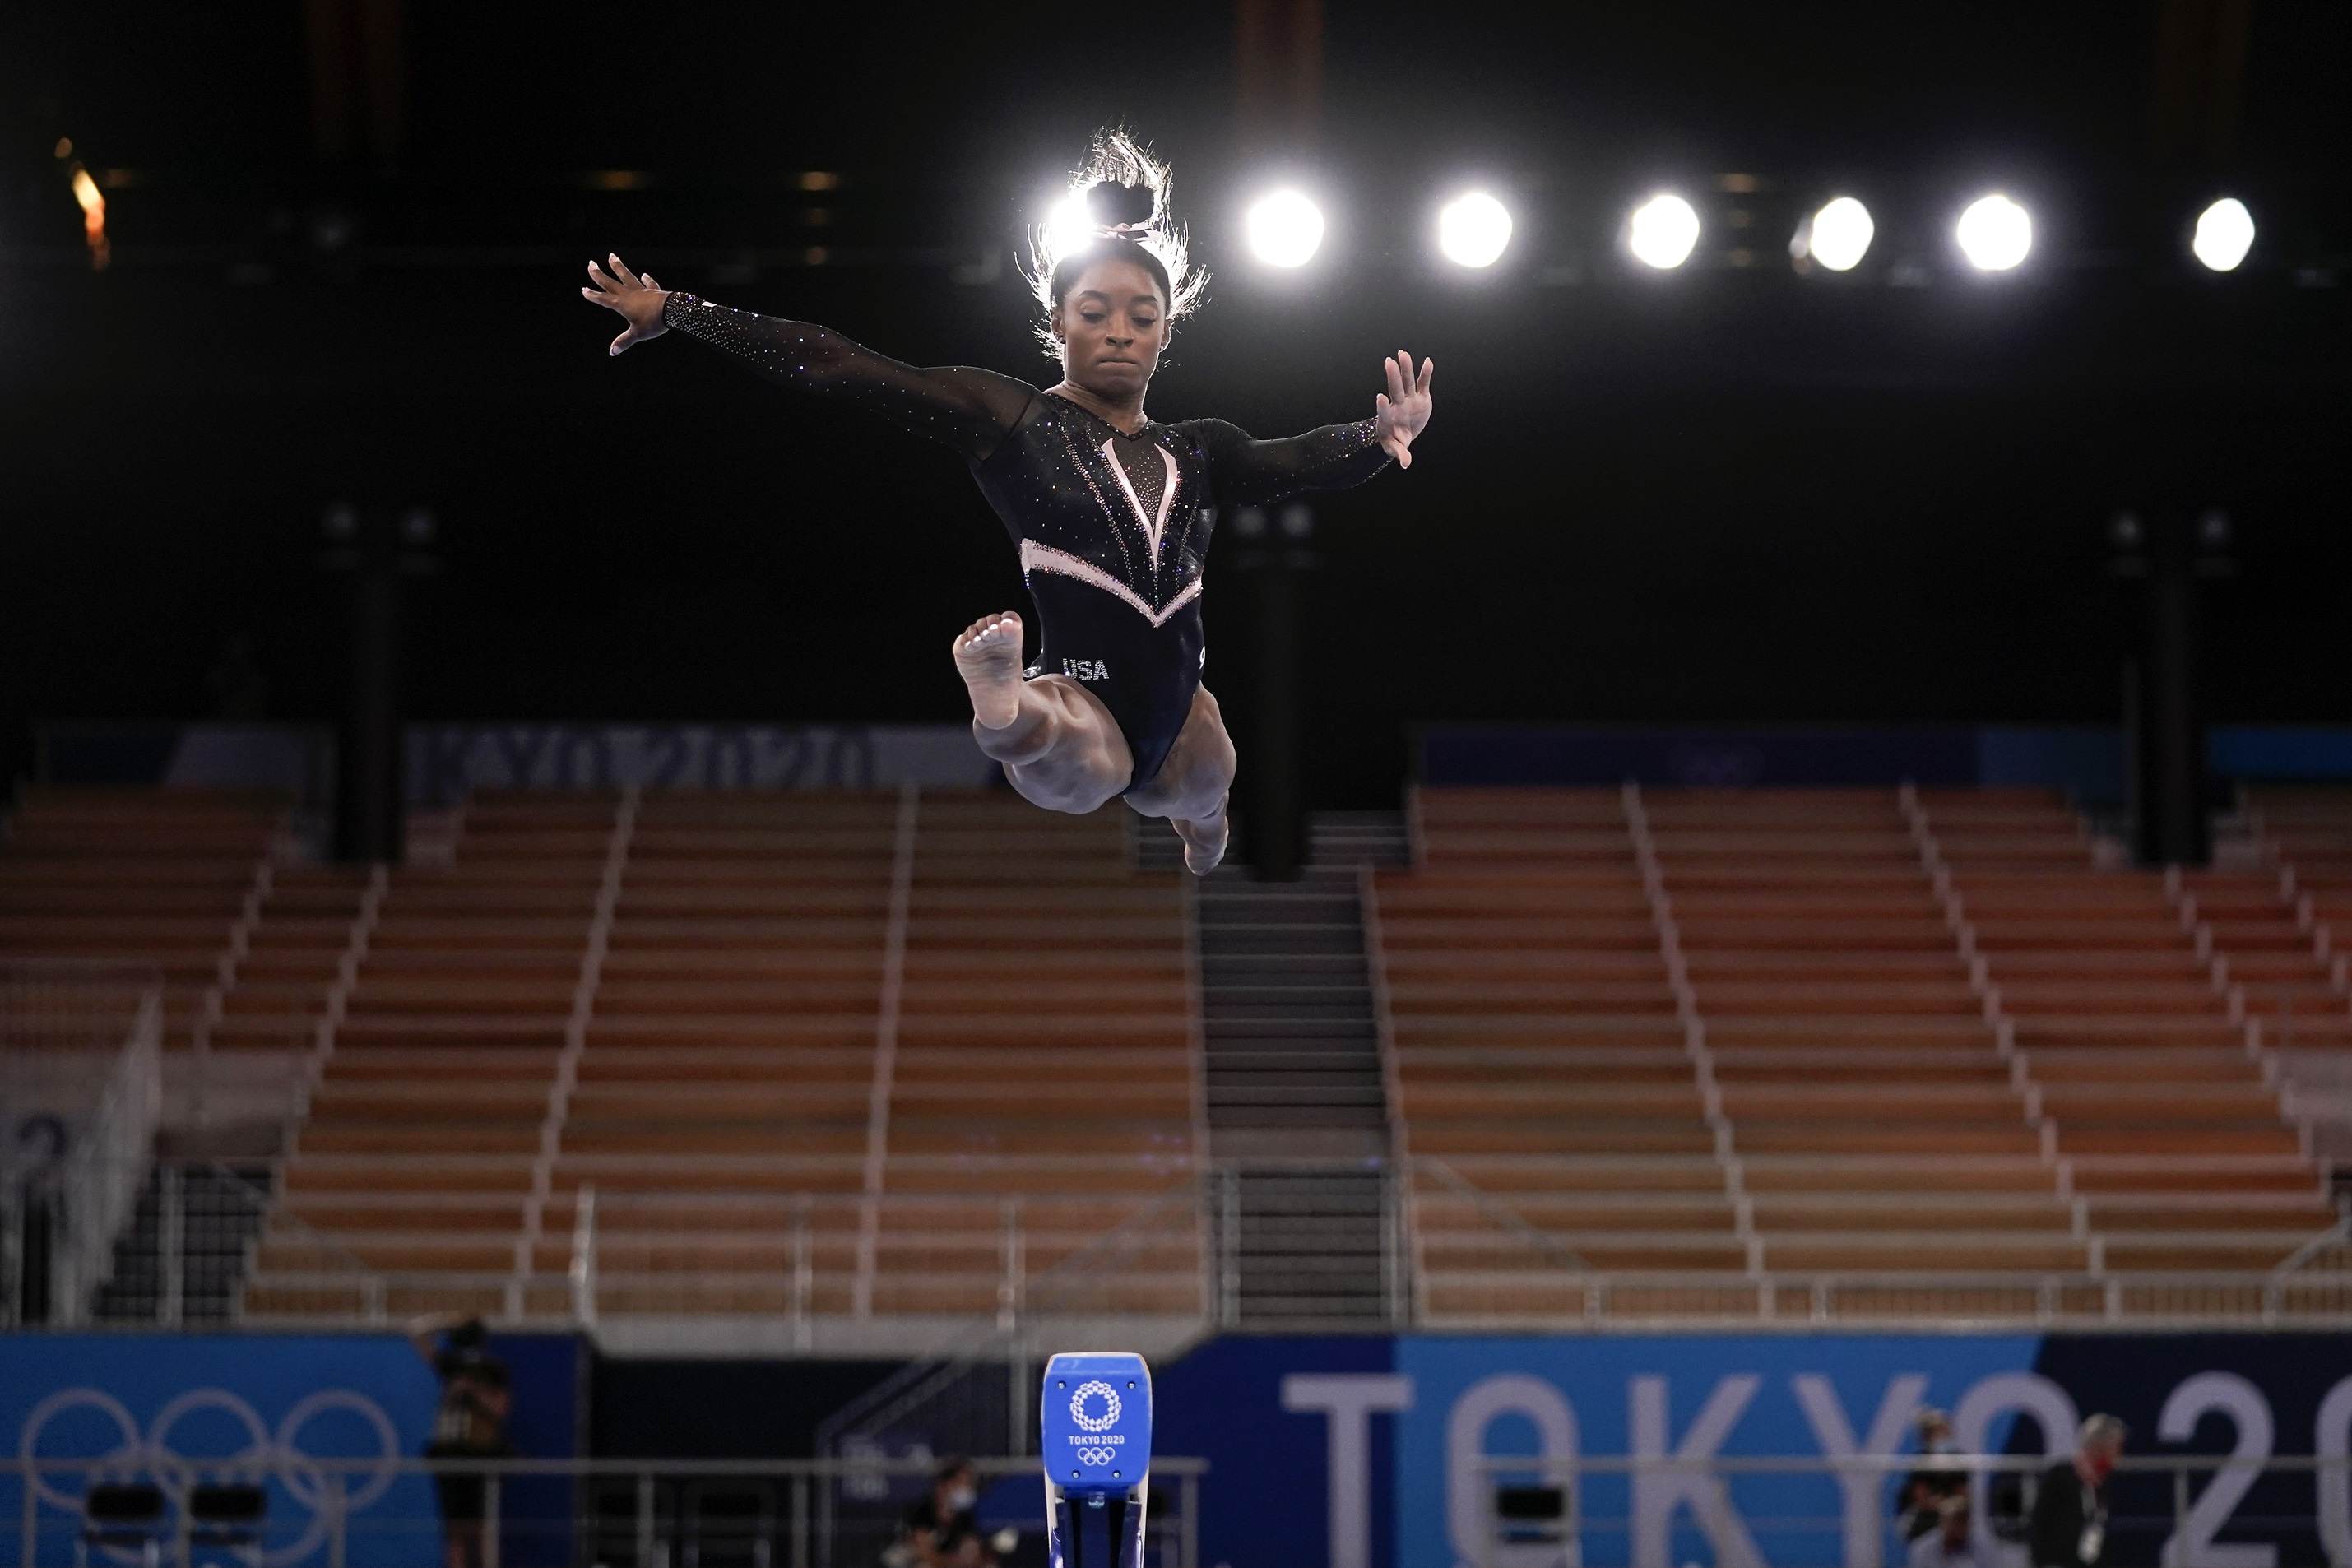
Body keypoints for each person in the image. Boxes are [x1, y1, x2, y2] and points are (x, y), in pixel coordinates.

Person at [581, 126, 1435, 874]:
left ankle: (1202, 830)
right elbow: (843, 365)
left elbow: (1297, 459)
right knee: (1066, 751)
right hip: (1085, 697)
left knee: (1210, 774)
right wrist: (684, 311)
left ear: (1166, 332)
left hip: (1179, 717)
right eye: (1094, 311)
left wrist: (1376, 434)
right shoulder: (1013, 420)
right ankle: (1003, 698)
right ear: (1057, 322)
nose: (1118, 329)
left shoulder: (1200, 449)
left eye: (1142, 315)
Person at [409, 1313, 515, 1568]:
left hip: (480, 1455)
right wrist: (450, 1324)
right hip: (451, 1454)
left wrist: (475, 1395)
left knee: (481, 1528)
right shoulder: (452, 1366)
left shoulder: (493, 1371)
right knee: (454, 1530)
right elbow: (416, 1333)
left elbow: (501, 1410)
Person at [2028, 1414, 2126, 1568]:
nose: (2118, 1455)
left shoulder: (2100, 1485)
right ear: (2098, 1447)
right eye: (2116, 1447)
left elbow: (2096, 1528)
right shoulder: (2059, 1476)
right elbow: (2037, 1523)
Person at [898, 1457, 995, 1568]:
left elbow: (971, 1553)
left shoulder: (966, 1515)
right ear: (944, 1485)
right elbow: (924, 1553)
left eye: (970, 1484)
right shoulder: (922, 1511)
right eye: (962, 1482)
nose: (967, 1488)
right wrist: (949, 1564)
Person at [1898, 1408, 1969, 1542]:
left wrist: (1951, 1508)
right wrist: (1944, 1506)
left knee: (1960, 1522)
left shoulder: (1959, 1459)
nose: (1942, 1435)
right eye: (1937, 1431)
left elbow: (1963, 1495)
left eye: (1944, 1430)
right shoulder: (1920, 1461)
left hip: (1954, 1515)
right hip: (1925, 1519)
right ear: (1926, 1436)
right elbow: (1922, 1499)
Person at [1908, 1495, 1997, 1568]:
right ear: (1943, 1522)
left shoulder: (1981, 1548)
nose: (1961, 1526)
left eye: (1965, 1520)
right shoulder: (1922, 1548)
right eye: (1956, 1520)